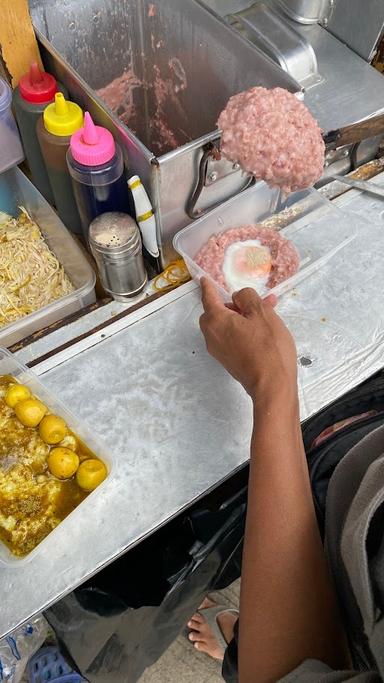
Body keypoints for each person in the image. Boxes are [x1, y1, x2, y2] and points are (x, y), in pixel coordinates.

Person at [187, 278, 383, 683]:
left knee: (262, 654)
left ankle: (240, 644)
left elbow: (285, 676)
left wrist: (272, 384)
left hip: (340, 528)